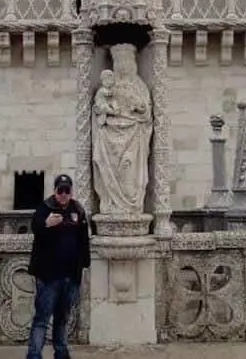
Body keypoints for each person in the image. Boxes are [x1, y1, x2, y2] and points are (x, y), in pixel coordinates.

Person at [26, 174, 90, 359]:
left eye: (66, 191)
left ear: (71, 192)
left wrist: (83, 267)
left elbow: (83, 241)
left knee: (62, 319)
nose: (63, 194)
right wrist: (46, 225)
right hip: (48, 276)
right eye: (60, 190)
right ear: (54, 191)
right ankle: (34, 355)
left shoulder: (77, 210)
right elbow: (35, 228)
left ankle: (61, 353)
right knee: (42, 319)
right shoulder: (45, 209)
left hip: (70, 276)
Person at [92, 43, 153, 214]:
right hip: (109, 134)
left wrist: (139, 107)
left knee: (129, 171)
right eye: (119, 61)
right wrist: (105, 111)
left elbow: (147, 113)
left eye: (127, 60)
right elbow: (98, 107)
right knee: (108, 168)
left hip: (134, 134)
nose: (123, 65)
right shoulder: (107, 87)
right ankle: (110, 203)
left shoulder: (139, 85)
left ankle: (131, 206)